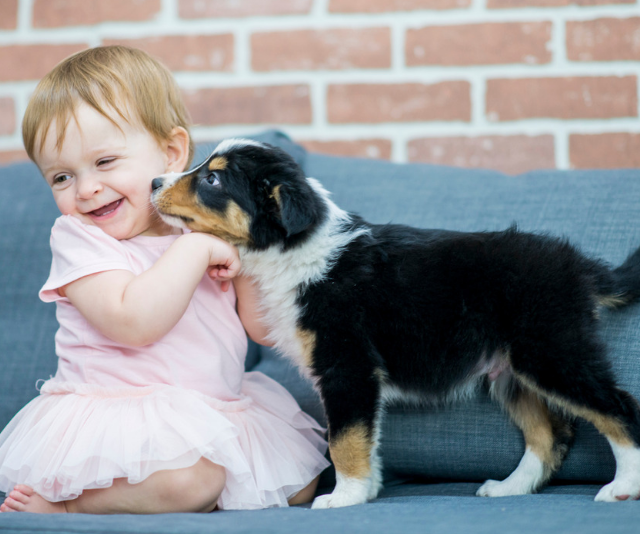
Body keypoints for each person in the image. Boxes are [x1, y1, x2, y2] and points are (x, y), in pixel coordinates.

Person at [0, 46, 329, 514]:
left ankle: (188, 497)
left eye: (105, 162)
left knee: (301, 482)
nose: (86, 188)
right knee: (192, 480)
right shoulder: (79, 238)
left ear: (171, 152)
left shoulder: (203, 223)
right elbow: (132, 322)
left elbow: (261, 329)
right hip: (117, 419)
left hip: (211, 408)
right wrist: (194, 250)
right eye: (61, 177)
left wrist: (248, 260)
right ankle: (72, 508)